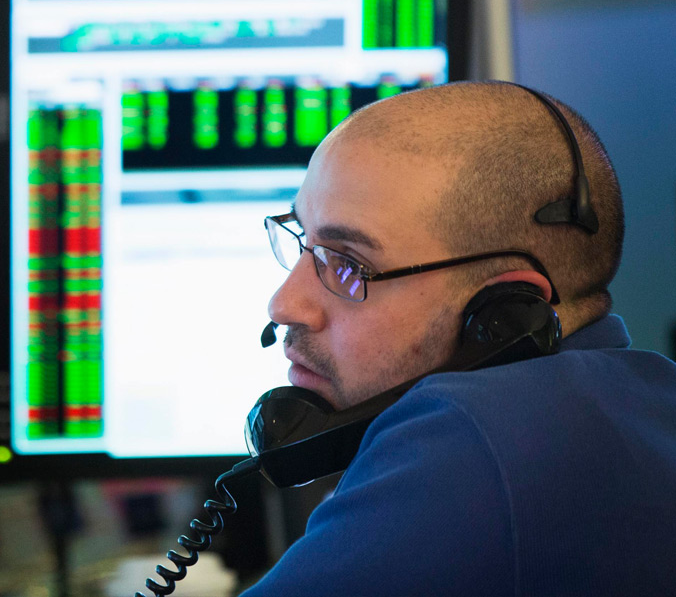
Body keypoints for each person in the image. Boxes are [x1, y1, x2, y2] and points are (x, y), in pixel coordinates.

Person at [239, 81, 676, 597]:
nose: (285, 305)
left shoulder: (471, 439)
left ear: (500, 315)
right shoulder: (645, 398)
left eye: (349, 265)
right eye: (301, 239)